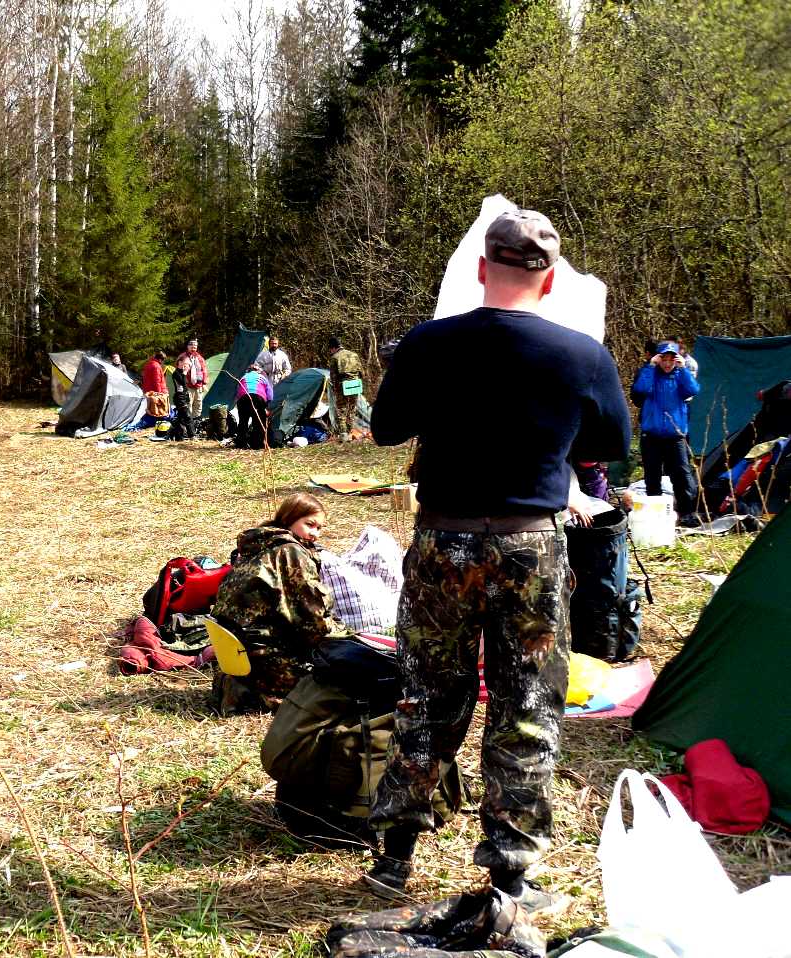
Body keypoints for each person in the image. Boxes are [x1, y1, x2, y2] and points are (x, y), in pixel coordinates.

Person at [366, 209, 631, 911]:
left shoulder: (427, 344)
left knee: (427, 694)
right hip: (529, 544)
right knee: (526, 703)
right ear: (547, 281)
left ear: (481, 268)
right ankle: (512, 869)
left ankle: (392, 856)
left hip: (442, 540)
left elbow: (385, 427)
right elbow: (607, 442)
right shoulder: (580, 355)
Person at [211, 492, 353, 712]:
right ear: (289, 518)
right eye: (309, 524)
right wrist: (350, 638)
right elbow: (313, 621)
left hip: (242, 653)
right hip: (264, 658)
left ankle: (241, 686)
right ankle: (255, 694)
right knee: (344, 680)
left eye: (319, 528)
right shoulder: (291, 552)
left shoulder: (260, 544)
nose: (315, 534)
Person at [631, 341, 700, 523]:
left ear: (676, 359)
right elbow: (640, 389)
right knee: (652, 476)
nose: (667, 363)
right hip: (651, 436)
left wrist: (683, 369)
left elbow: (693, 390)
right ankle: (655, 513)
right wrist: (650, 366)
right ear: (658, 359)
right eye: (664, 359)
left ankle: (687, 514)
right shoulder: (650, 374)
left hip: (675, 436)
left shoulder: (680, 376)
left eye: (671, 359)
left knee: (682, 476)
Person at [327, 337, 364, 442]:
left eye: (330, 349)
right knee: (352, 409)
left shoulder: (335, 357)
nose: (330, 351)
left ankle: (343, 435)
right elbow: (362, 372)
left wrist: (335, 389)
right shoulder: (354, 355)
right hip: (356, 383)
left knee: (341, 410)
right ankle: (350, 431)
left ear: (333, 348)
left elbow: (333, 376)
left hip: (343, 385)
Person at [234, 363, 272, 449]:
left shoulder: (243, 378)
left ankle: (241, 444)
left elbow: (237, 393)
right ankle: (256, 444)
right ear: (258, 371)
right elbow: (270, 394)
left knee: (243, 422)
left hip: (243, 398)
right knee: (258, 422)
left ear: (248, 371)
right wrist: (267, 405)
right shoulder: (262, 378)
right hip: (258, 398)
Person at [177, 339, 208, 420]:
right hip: (188, 385)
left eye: (195, 345)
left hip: (198, 385)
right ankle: (189, 421)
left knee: (198, 404)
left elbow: (204, 370)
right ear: (188, 346)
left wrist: (204, 383)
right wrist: (182, 382)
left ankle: (196, 421)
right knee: (188, 404)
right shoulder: (183, 357)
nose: (193, 347)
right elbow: (178, 371)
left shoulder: (199, 357)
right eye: (191, 345)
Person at [169, 357, 195, 441]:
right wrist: (185, 373)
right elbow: (182, 383)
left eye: (188, 363)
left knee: (180, 418)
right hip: (180, 398)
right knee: (188, 416)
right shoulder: (176, 373)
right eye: (186, 363)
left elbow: (185, 386)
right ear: (180, 362)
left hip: (184, 397)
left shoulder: (181, 373)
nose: (187, 365)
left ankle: (177, 436)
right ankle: (192, 436)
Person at [141, 349, 169, 419]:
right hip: (156, 391)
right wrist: (160, 394)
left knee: (149, 407)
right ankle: (158, 421)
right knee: (157, 409)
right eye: (163, 360)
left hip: (148, 390)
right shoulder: (156, 366)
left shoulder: (149, 364)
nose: (163, 362)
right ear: (160, 359)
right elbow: (157, 381)